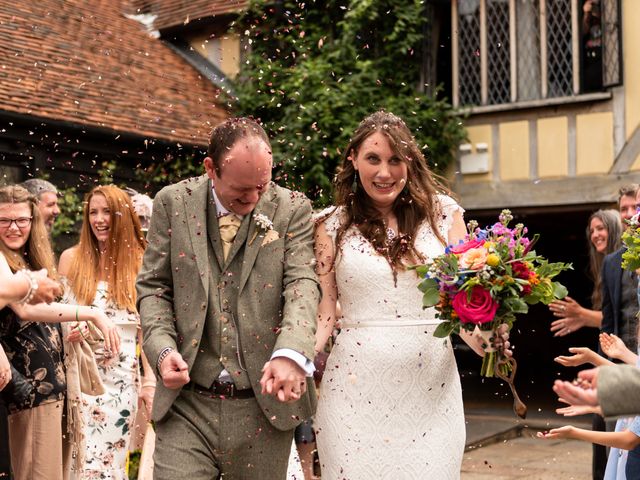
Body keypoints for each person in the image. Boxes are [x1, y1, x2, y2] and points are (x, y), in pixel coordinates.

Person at [312, 111, 498, 478]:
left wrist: (490, 343)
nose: (385, 172)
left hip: (431, 391)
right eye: (373, 159)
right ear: (353, 159)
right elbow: (325, 312)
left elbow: (461, 304)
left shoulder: (444, 215)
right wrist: (297, 358)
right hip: (353, 391)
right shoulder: (330, 225)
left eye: (395, 160)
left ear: (409, 160)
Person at [136, 117, 319, 479]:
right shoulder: (172, 203)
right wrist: (161, 349)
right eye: (240, 190)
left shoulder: (292, 208)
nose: (252, 200)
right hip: (188, 403)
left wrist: (291, 352)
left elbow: (303, 284)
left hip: (262, 408)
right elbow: (154, 288)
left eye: (261, 187)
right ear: (210, 168)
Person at [0, 185, 119, 480]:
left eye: (22, 220)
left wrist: (70, 325)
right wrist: (91, 312)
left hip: (57, 386)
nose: (13, 227)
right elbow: (24, 309)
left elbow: (48, 311)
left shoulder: (32, 258)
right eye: (4, 220)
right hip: (27, 391)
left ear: (32, 221)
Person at [57, 185, 152, 479]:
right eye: (93, 212)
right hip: (80, 375)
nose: (99, 219)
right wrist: (69, 328)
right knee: (77, 459)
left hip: (121, 382)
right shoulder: (71, 259)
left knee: (111, 461)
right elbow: (56, 315)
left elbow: (148, 328)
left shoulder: (142, 262)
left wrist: (149, 380)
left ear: (122, 216)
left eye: (106, 211)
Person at [549, 209, 622, 336]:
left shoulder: (627, 266)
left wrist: (582, 314)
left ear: (615, 230)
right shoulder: (606, 267)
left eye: (600, 228)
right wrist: (585, 318)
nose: (594, 235)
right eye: (592, 231)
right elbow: (610, 319)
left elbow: (625, 318)